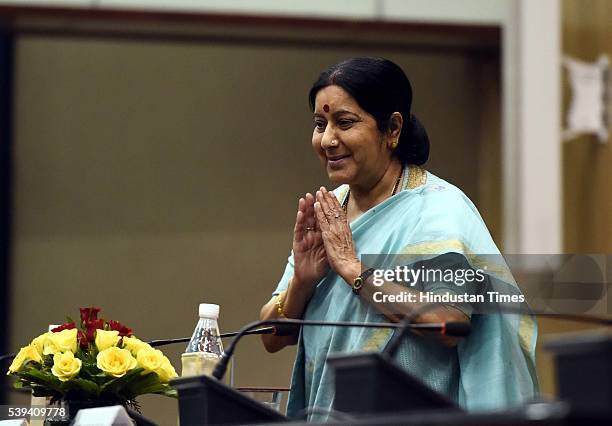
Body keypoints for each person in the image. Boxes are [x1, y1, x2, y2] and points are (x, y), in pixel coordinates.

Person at [260, 57, 538, 421]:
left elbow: (448, 323)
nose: (327, 139)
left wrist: (355, 271)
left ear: (391, 129)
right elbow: (270, 336)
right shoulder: (331, 211)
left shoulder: (438, 210)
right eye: (319, 124)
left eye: (344, 122)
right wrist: (302, 281)